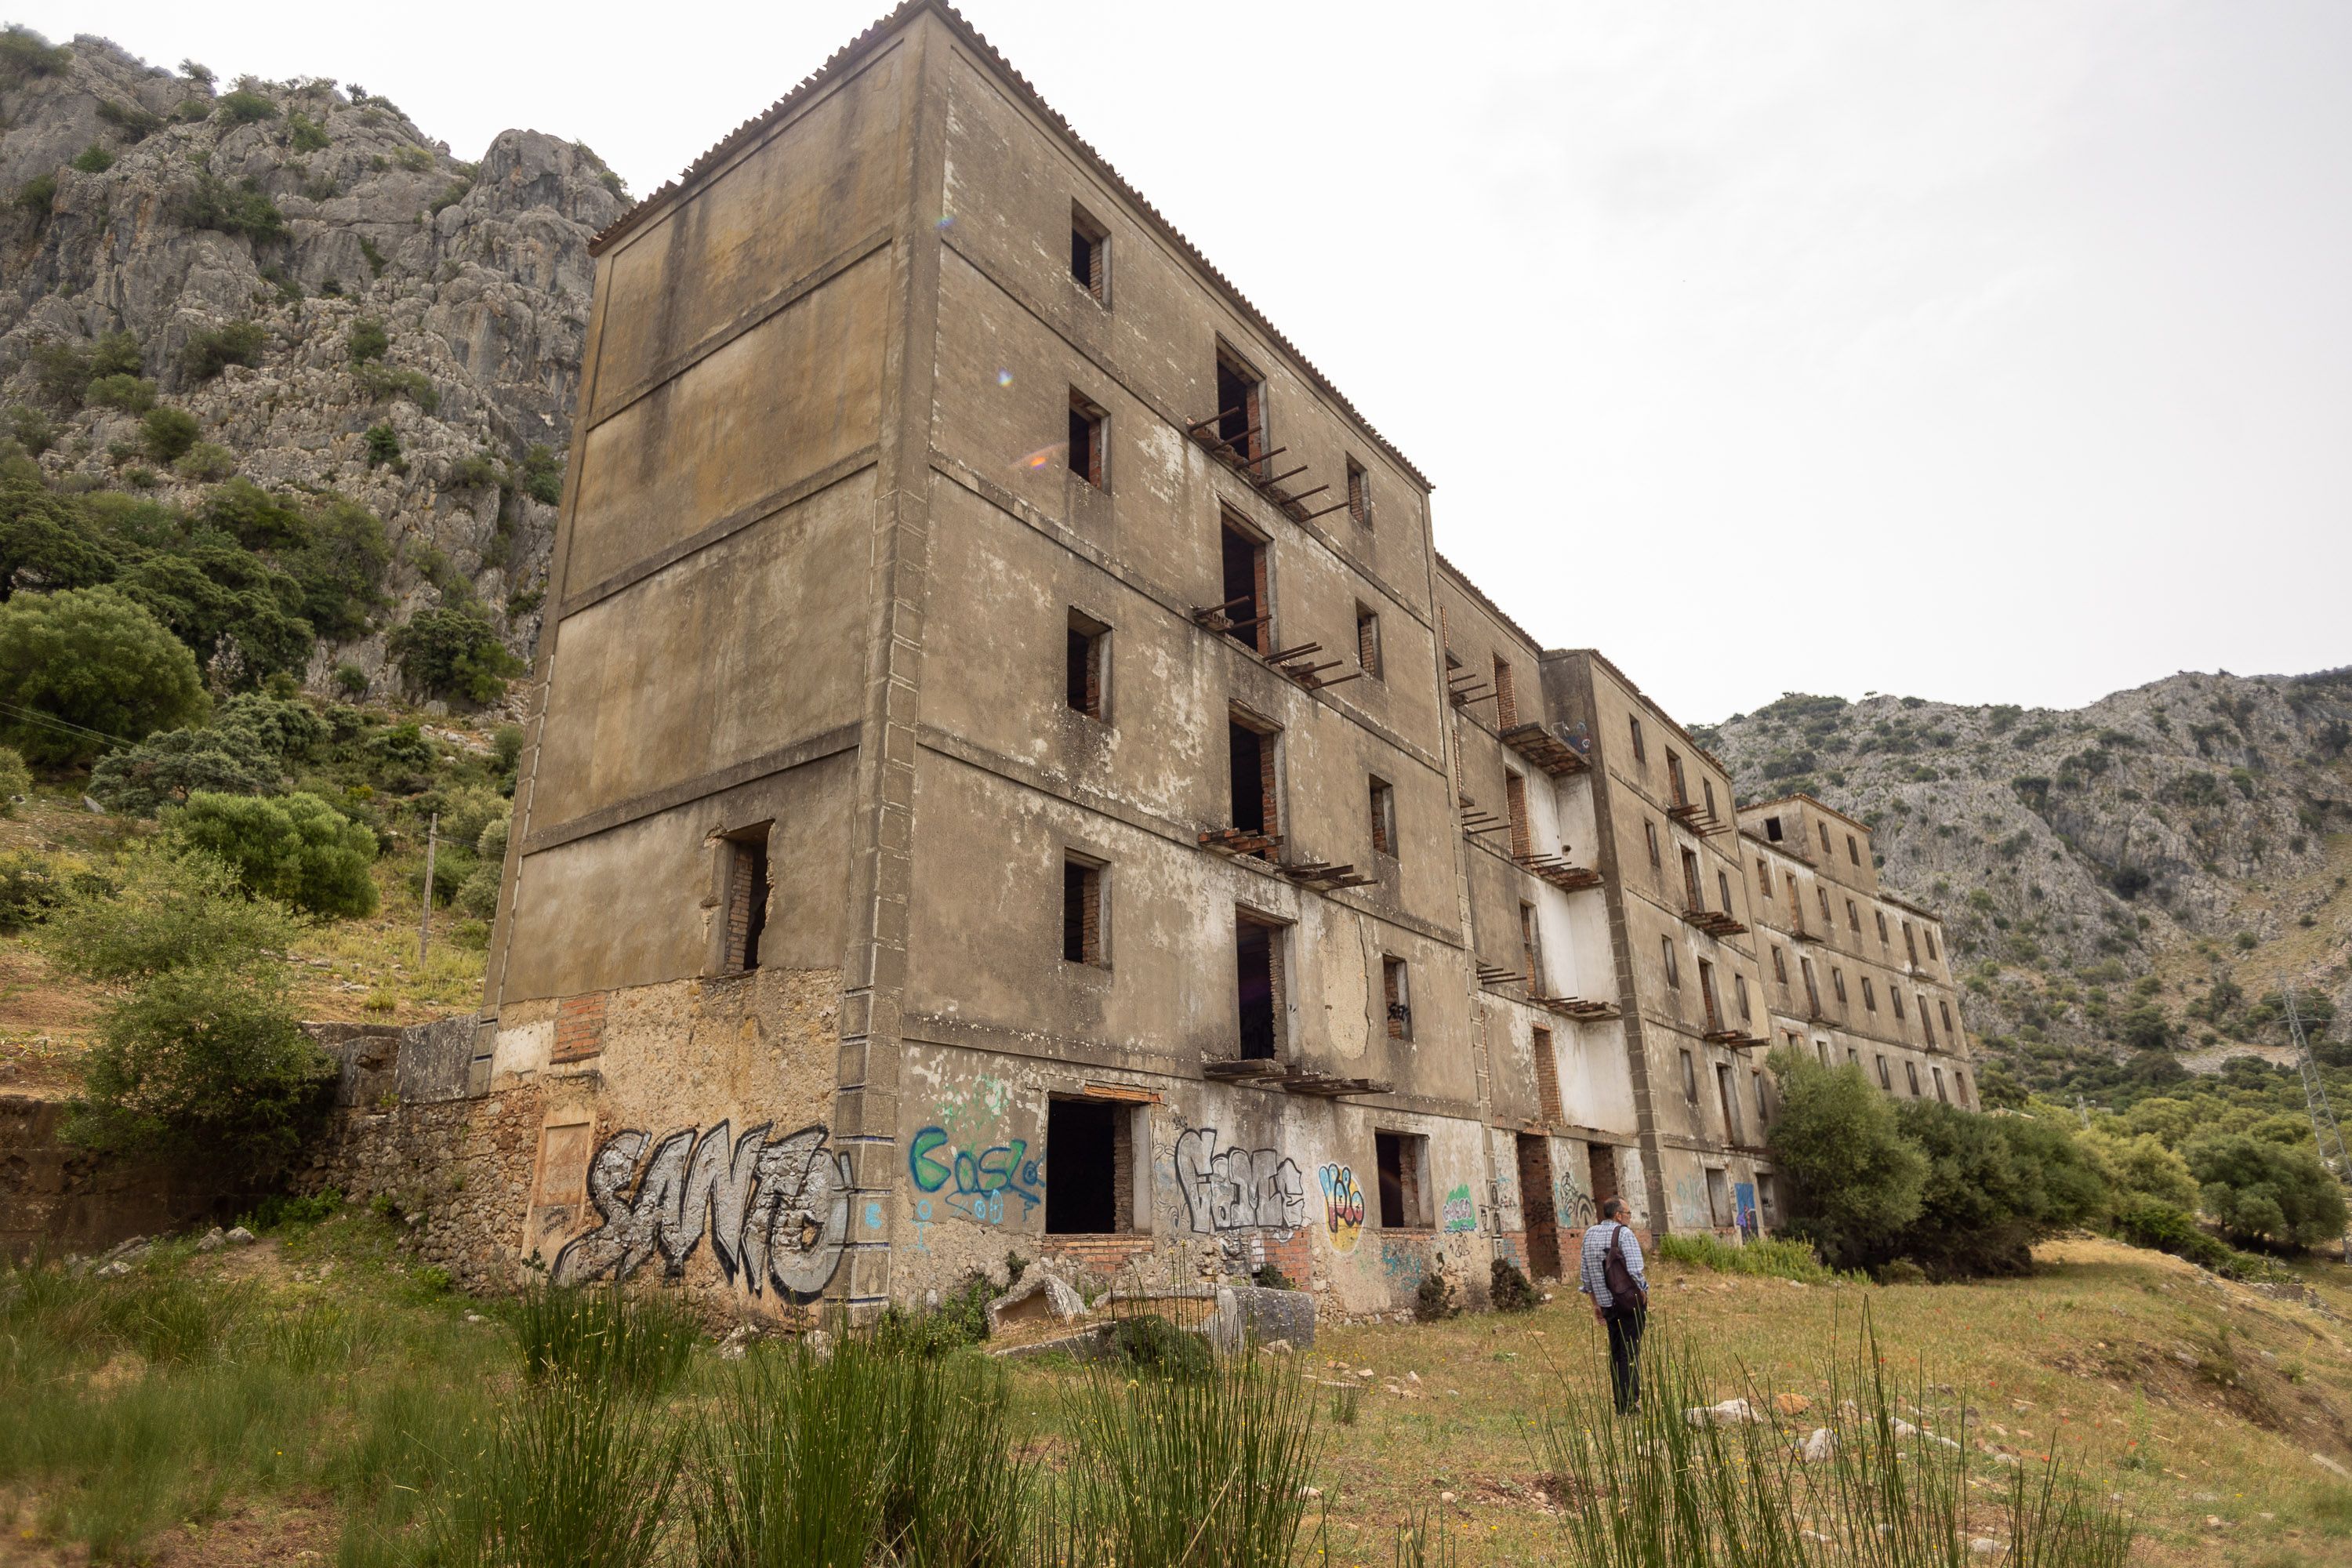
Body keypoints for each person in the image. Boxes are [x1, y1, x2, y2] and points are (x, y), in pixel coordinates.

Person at [1577, 1196, 1649, 1414]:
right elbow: (1636, 1270)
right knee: (1630, 1352)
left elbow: (1586, 1275)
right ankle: (1629, 1404)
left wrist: (1596, 1304)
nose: (1629, 1217)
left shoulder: (1589, 1234)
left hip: (1607, 1305)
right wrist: (1643, 1293)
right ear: (1618, 1215)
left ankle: (1620, 1401)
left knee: (1616, 1351)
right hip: (1629, 1303)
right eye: (1628, 1214)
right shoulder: (1624, 1234)